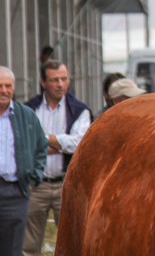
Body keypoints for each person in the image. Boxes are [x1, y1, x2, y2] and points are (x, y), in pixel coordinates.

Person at [23, 60, 91, 256]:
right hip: (36, 185)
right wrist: (62, 146)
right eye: (54, 80)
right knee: (28, 246)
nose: (61, 84)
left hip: (67, 184)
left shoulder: (80, 110)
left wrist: (42, 138)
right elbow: (23, 146)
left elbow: (79, 145)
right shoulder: (29, 109)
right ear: (43, 82)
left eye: (64, 79)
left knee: (71, 244)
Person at [0, 67, 47, 256]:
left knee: (12, 249)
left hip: (15, 193)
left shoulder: (26, 116)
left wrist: (33, 180)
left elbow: (41, 147)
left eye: (8, 86)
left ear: (14, 88)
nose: (4, 90)